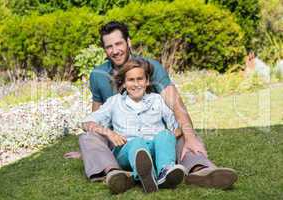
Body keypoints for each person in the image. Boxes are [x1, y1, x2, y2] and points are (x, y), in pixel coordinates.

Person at [65, 21, 237, 193]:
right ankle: (115, 173)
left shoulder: (150, 67)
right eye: (109, 46)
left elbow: (176, 106)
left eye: (119, 43)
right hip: (121, 142)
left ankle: (200, 170)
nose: (115, 50)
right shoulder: (98, 76)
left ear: (128, 42)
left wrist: (189, 136)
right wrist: (95, 149)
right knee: (88, 137)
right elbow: (95, 115)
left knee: (182, 133)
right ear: (104, 50)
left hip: (156, 139)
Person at [82, 58, 186, 193]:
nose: (136, 84)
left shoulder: (157, 100)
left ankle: (164, 172)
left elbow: (177, 125)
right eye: (131, 80)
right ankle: (145, 174)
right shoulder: (114, 102)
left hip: (155, 149)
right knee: (137, 142)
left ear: (147, 81)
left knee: (165, 135)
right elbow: (86, 123)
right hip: (127, 150)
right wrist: (109, 133)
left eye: (140, 79)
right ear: (124, 83)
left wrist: (171, 135)